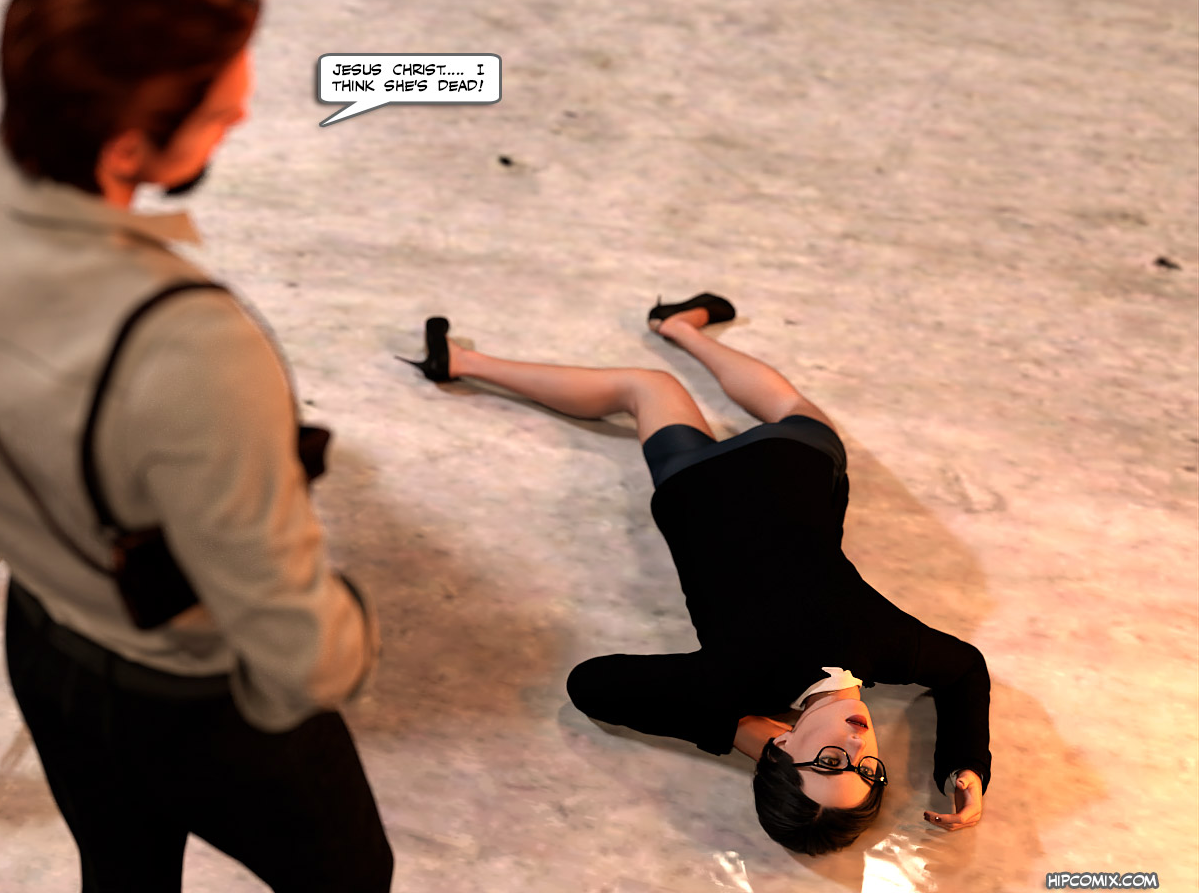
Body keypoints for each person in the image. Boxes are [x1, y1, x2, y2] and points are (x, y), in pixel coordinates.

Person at [0, 0, 391, 892]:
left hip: (47, 647)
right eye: (220, 103)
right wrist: (354, 629)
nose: (242, 111)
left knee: (120, 871)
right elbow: (294, 641)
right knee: (349, 876)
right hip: (205, 697)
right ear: (134, 144)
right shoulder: (195, 339)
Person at [398, 292, 990, 854]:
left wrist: (741, 730)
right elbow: (964, 669)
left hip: (779, 465)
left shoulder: (860, 655)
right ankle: (468, 361)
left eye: (832, 762)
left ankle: (682, 329)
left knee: (783, 408)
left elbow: (591, 684)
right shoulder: (739, 686)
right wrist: (963, 765)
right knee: (646, 386)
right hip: (703, 485)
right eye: (868, 770)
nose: (859, 743)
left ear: (781, 748)